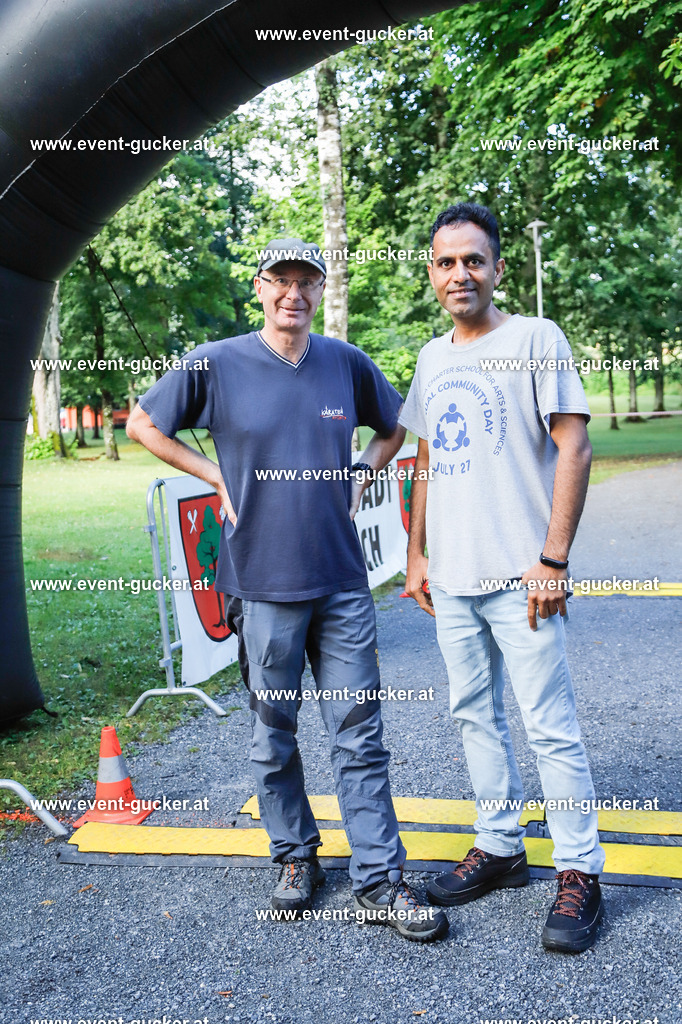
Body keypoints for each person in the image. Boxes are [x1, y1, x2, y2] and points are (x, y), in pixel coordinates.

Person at [127, 237, 448, 943]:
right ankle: (296, 855)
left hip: (340, 583)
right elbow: (143, 423)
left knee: (359, 734)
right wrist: (214, 478)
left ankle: (381, 879)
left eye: (306, 281)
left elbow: (396, 427)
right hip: (261, 584)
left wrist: (363, 469)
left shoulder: (344, 361)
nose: (293, 293)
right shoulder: (217, 362)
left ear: (317, 289)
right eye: (281, 280)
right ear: (260, 286)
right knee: (273, 737)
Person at [400, 204, 605, 953]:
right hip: (451, 577)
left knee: (551, 727)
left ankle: (580, 871)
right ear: (432, 272)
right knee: (473, 715)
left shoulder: (534, 339)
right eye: (446, 262)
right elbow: (424, 460)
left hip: (525, 577)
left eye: (474, 260)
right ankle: (500, 844)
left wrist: (552, 561)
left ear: (496, 268)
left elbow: (575, 449)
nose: (461, 273)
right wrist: (416, 555)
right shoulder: (431, 358)